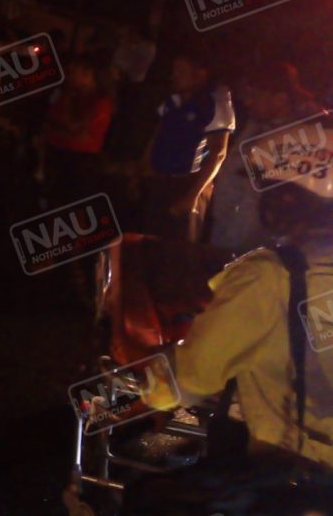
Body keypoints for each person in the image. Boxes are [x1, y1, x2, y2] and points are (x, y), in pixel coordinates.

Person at [122, 114, 333, 514]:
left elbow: (191, 376)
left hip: (297, 472)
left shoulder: (271, 276)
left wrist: (141, 386)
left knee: (147, 500)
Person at [209, 61, 322, 256]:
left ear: (280, 99)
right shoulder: (253, 127)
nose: (248, 102)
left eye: (255, 95)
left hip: (255, 250)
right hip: (224, 234)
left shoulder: (299, 141)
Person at [142, 51, 236, 242]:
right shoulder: (172, 102)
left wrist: (193, 194)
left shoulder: (214, 103)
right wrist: (142, 168)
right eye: (174, 71)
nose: (174, 76)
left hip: (189, 185)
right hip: (160, 181)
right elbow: (156, 136)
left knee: (179, 247)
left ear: (200, 74)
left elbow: (218, 152)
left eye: (181, 72)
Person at [40, 56, 115, 204]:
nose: (68, 76)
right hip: (57, 155)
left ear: (88, 74)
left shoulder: (100, 102)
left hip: (80, 161)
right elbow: (50, 118)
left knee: (73, 206)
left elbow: (80, 133)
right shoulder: (66, 93)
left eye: (74, 72)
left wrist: (58, 130)